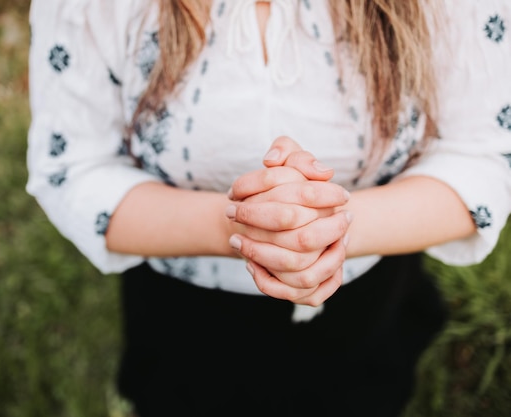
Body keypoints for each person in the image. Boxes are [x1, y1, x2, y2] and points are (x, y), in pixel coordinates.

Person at [26, 0, 511, 416]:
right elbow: (73, 165)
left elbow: (485, 153)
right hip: (183, 323)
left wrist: (334, 231)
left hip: (368, 311)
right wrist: (250, 228)